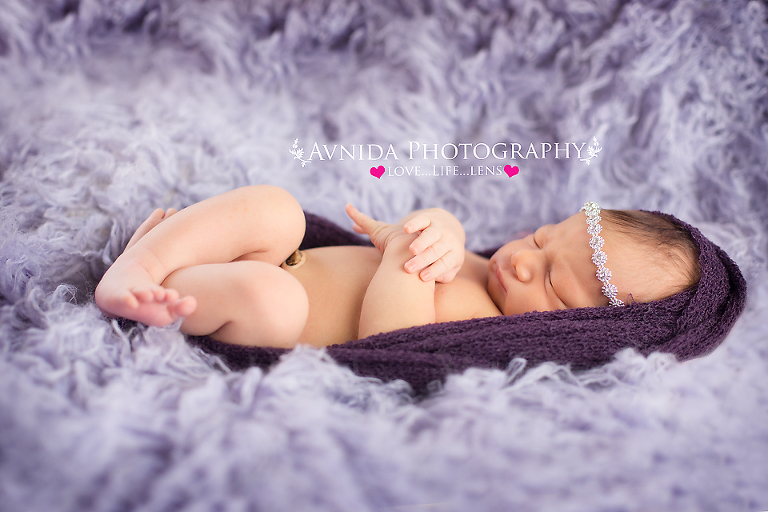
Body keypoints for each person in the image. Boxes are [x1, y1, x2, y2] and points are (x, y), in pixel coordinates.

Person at [94, 185, 700, 349]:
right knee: (278, 208)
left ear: (579, 332)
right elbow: (431, 244)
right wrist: (442, 226)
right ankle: (140, 264)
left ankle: (165, 293)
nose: (521, 263)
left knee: (272, 301)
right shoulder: (489, 271)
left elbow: (390, 340)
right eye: (541, 239)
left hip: (258, 309)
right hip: (279, 259)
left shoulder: (478, 326)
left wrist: (403, 257)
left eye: (551, 284)